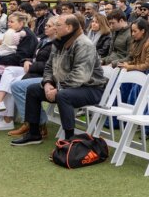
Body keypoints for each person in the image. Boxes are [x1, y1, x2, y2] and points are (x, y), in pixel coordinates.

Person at [12, 14, 107, 146]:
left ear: (68, 27)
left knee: (63, 95)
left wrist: (58, 88)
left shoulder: (84, 44)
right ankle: (34, 134)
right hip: (67, 86)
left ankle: (69, 138)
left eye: (58, 25)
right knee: (33, 89)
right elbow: (49, 67)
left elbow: (81, 75)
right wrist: (47, 84)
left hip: (91, 89)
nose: (54, 28)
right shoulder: (59, 42)